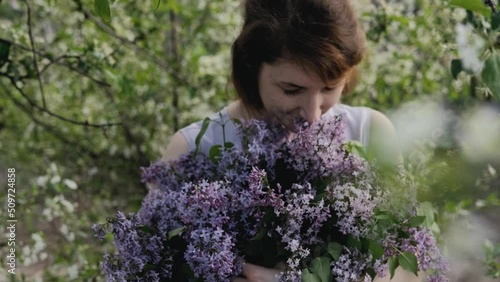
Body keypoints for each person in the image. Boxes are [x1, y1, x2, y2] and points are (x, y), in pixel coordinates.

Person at [162, 0, 414, 281]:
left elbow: (407, 270)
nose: (313, 115)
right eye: (292, 89)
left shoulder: (371, 133)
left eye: (330, 87)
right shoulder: (192, 148)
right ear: (250, 65)